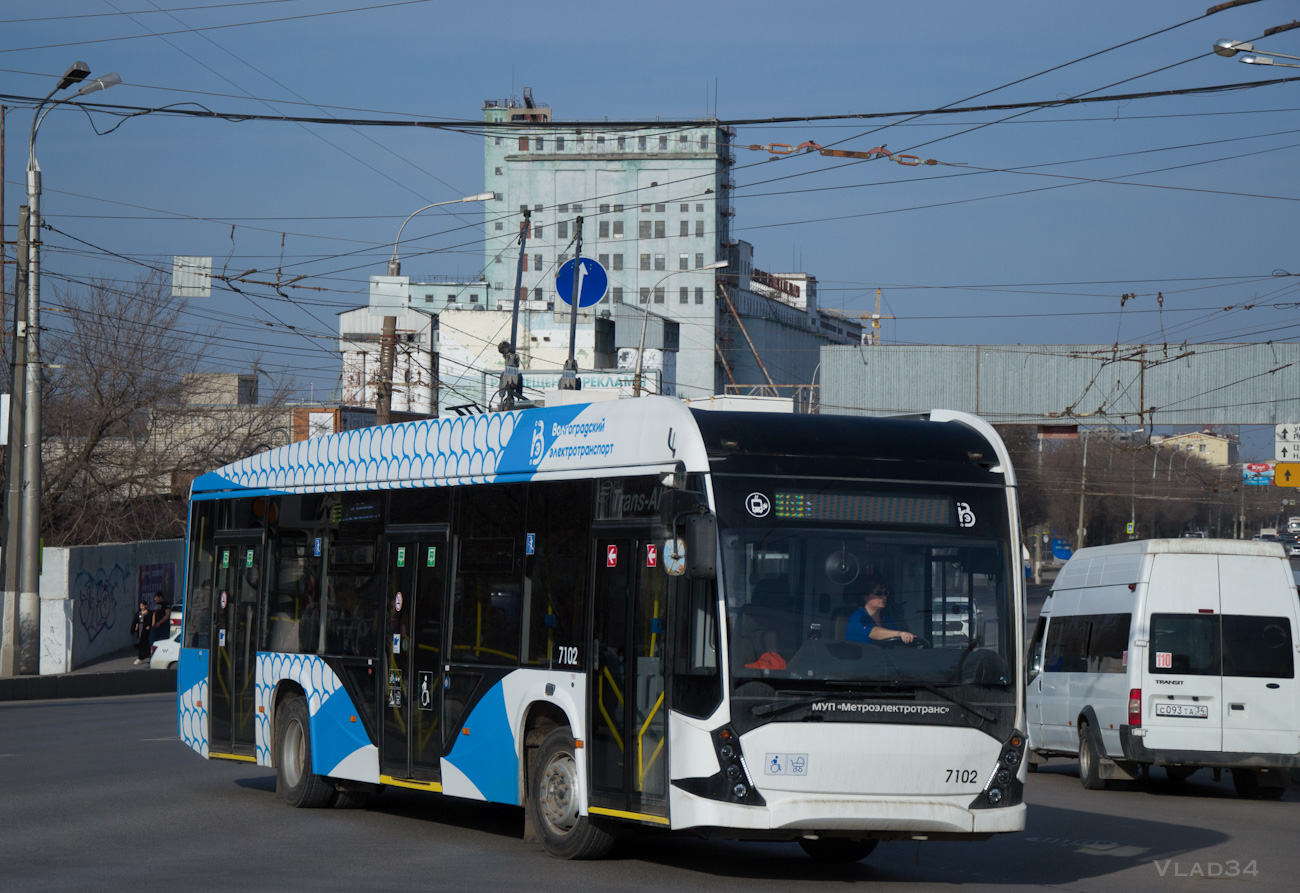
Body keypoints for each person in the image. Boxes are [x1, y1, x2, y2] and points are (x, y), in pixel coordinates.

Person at [845, 579, 915, 644]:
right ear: (865, 596)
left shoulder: (888, 619)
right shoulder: (857, 617)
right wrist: (898, 633)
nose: (884, 597)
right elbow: (873, 633)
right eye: (878, 593)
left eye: (886, 593)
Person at [131, 599, 152, 665]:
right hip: (140, 629)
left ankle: (142, 657)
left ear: (145, 606)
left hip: (146, 630)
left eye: (142, 606)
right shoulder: (139, 613)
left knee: (145, 643)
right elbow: (135, 621)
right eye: (140, 606)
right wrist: (134, 628)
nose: (141, 607)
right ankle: (141, 657)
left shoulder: (149, 613)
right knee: (141, 642)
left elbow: (151, 621)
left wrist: (149, 626)